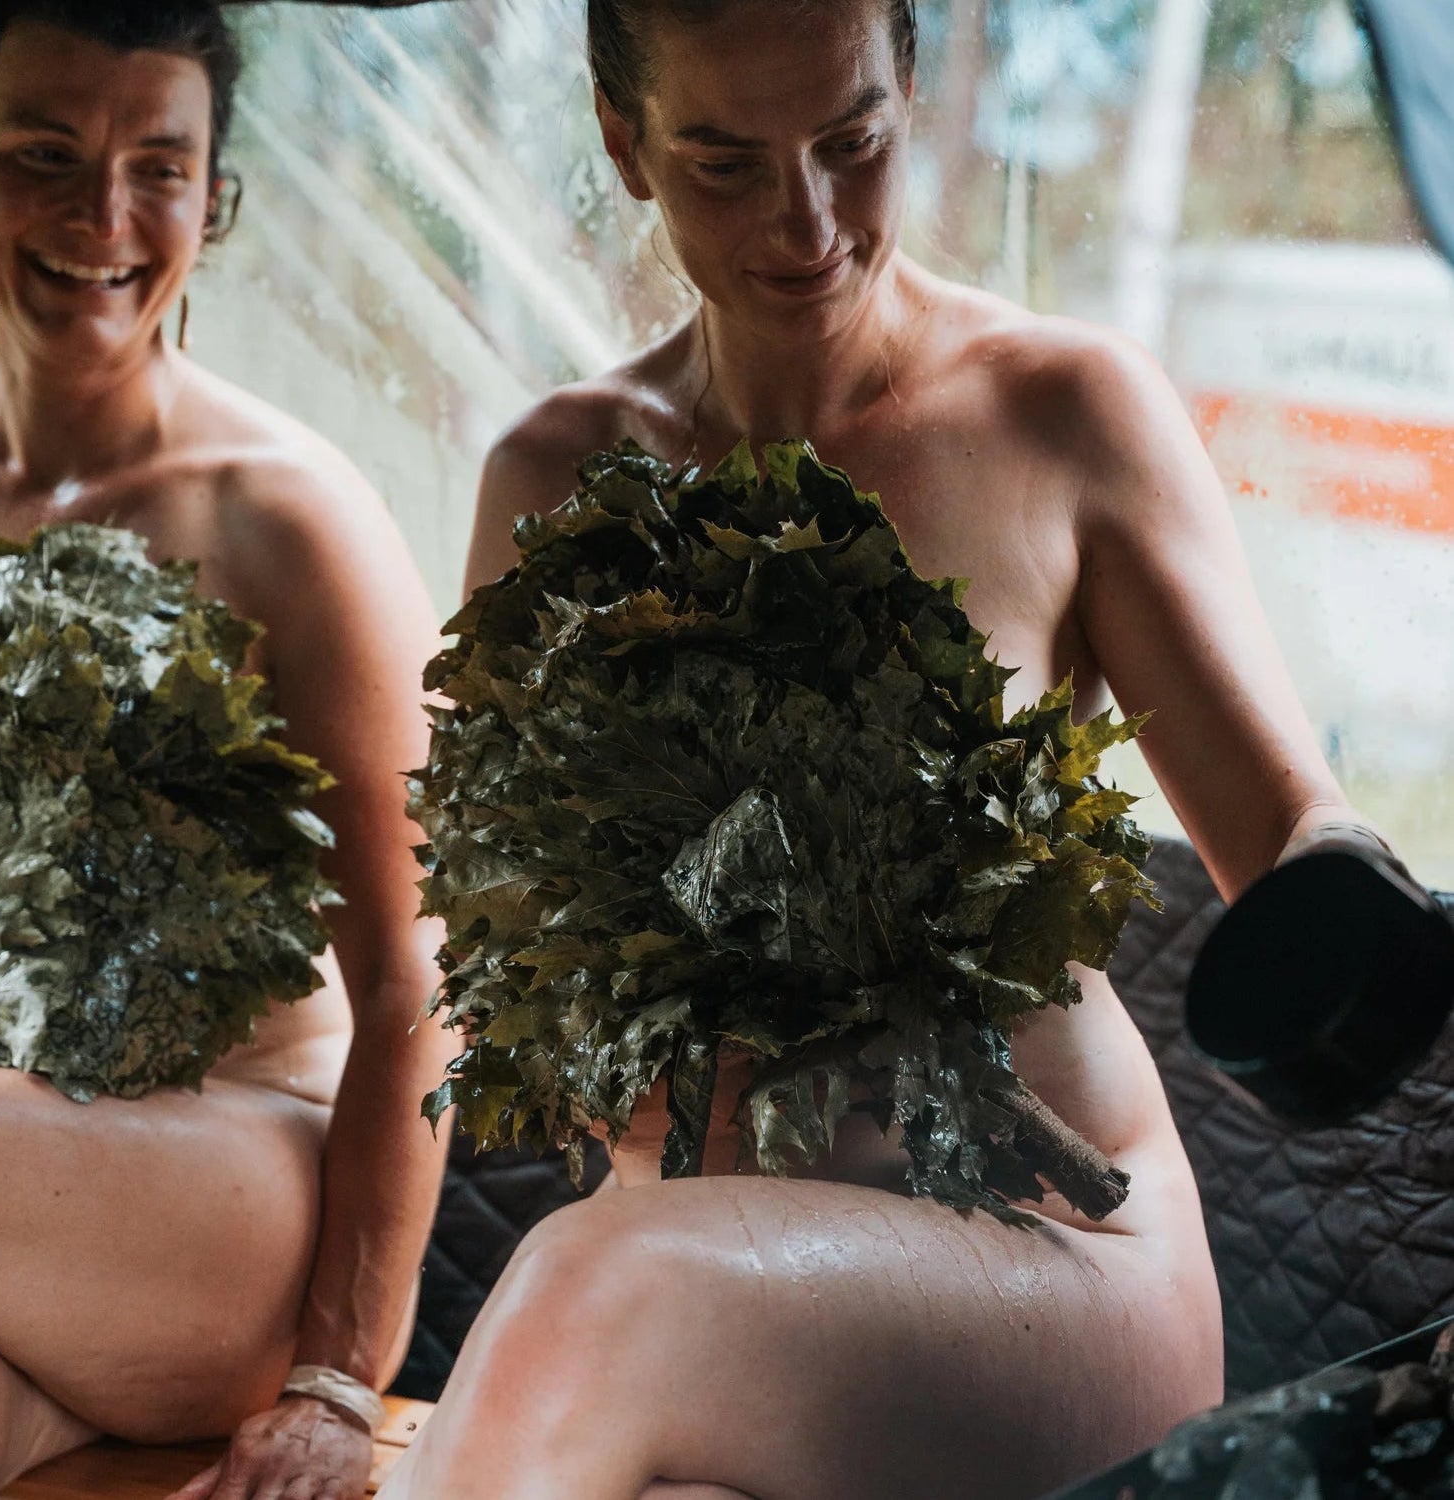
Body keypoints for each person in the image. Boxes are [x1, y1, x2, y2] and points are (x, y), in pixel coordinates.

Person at [377, 2, 1388, 1498]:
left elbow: (1294, 828)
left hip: (1048, 1261)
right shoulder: (553, 478)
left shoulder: (1059, 413)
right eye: (725, 165)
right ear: (623, 141)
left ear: (911, 89)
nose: (806, 223)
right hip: (713, 1281)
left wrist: (1372, 922)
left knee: (592, 1284)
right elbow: (507, 964)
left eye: (854, 145)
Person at [0, 5, 448, 1498]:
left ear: (213, 201)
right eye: (46, 155)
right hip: (0, 1201)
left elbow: (417, 987)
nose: (103, 217)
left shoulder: (290, 524)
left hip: (230, 1195)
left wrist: (337, 1386)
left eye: (158, 166)